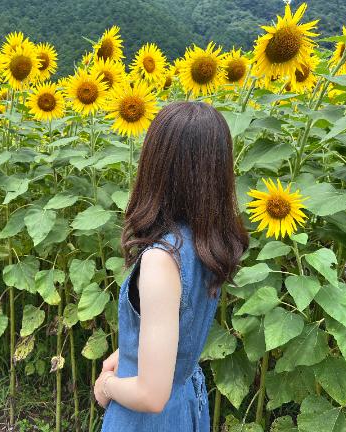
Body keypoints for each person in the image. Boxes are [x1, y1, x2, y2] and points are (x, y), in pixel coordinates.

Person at [94, 101, 249, 431]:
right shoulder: (209, 242)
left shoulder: (163, 260)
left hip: (147, 420)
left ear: (155, 166)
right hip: (186, 403)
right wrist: (127, 352)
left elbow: (151, 394)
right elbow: (177, 331)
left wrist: (105, 386)